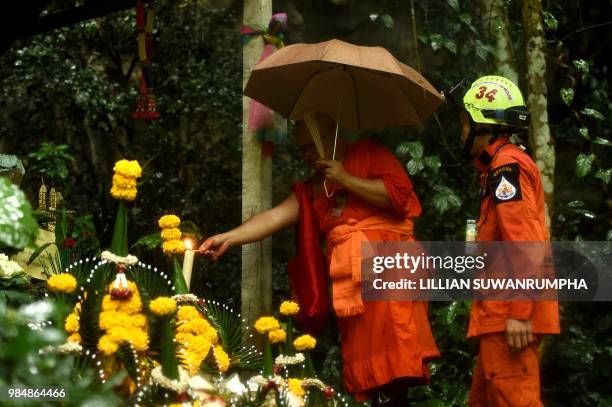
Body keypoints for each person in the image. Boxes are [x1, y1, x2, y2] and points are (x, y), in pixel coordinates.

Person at [200, 113, 439, 405]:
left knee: (396, 371)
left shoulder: (368, 153)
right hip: (353, 286)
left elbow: (399, 196)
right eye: (303, 150)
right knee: (373, 377)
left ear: (332, 137)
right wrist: (229, 237)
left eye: (312, 146)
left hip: (390, 273)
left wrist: (345, 178)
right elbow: (273, 217)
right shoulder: (313, 188)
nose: (308, 156)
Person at [451, 75, 560, 406]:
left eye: (464, 123)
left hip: (509, 317)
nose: (462, 132)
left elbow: (524, 242)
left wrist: (519, 311)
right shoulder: (496, 170)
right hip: (498, 316)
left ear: (483, 127)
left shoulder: (506, 167)